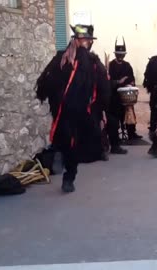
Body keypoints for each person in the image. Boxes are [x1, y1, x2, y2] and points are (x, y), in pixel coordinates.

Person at [35, 24, 111, 193]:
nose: (87, 43)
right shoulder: (65, 59)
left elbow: (103, 87)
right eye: (85, 40)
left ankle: (68, 173)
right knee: (69, 142)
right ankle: (66, 168)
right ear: (79, 40)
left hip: (78, 112)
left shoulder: (91, 62)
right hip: (67, 112)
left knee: (72, 142)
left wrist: (100, 110)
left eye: (88, 40)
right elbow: (47, 81)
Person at [108, 37, 142, 142]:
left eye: (122, 54)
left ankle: (131, 133)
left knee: (129, 113)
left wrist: (131, 84)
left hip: (126, 95)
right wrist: (119, 82)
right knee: (116, 115)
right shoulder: (111, 65)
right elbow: (108, 80)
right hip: (115, 96)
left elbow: (131, 78)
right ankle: (115, 135)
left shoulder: (127, 66)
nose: (121, 56)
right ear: (115, 54)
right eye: (119, 54)